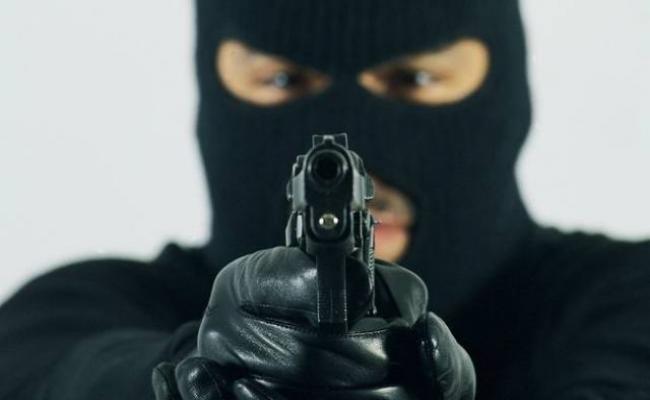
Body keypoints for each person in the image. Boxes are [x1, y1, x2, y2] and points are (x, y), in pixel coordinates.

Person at [1, 0, 649, 399]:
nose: (357, 144)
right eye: (284, 79)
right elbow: (47, 375)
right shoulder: (79, 306)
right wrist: (187, 375)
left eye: (416, 77)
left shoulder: (626, 298)